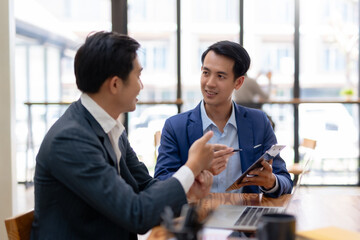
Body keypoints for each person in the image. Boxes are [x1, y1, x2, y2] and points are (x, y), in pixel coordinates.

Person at [30, 31, 218, 240]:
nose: (141, 85)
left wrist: (188, 190)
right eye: (138, 76)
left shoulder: (109, 127)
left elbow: (145, 185)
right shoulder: (70, 139)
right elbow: (136, 214)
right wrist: (191, 167)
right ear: (115, 84)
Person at [154, 41, 292, 197]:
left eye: (220, 76)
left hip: (244, 214)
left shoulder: (258, 121)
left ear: (238, 82)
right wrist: (194, 170)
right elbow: (160, 183)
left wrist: (271, 182)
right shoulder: (175, 126)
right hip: (196, 215)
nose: (210, 83)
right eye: (206, 73)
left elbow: (285, 180)